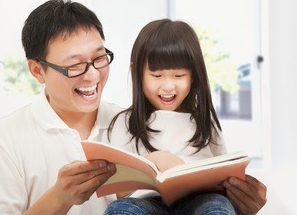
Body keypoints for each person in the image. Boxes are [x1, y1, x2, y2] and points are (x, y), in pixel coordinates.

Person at [0, 0, 266, 215]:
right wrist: (60, 198)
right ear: (37, 71)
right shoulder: (4, 142)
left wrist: (240, 206)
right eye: (75, 66)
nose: (93, 75)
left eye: (99, 58)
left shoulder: (131, 119)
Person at [104, 19, 267, 215]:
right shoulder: (125, 122)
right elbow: (119, 191)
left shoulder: (203, 120)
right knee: (121, 209)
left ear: (193, 75)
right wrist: (155, 159)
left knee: (217, 208)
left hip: (199, 202)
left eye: (179, 76)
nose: (168, 86)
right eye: (156, 76)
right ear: (137, 72)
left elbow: (224, 170)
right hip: (147, 204)